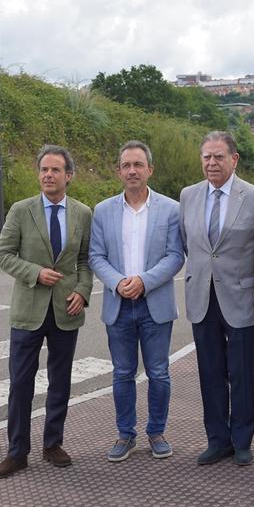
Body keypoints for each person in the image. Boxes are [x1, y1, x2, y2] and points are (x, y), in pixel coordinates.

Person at [0, 145, 93, 479]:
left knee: (60, 381)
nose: (48, 175)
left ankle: (53, 444)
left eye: (55, 170)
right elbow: (3, 254)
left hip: (66, 308)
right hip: (28, 310)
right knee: (21, 383)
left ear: (69, 176)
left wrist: (82, 291)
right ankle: (17, 452)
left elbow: (84, 261)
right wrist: (34, 272)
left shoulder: (82, 213)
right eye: (44, 170)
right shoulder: (21, 211)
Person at [89, 140, 185, 462]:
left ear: (150, 170)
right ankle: (125, 435)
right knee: (122, 373)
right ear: (118, 171)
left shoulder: (170, 209)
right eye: (126, 165)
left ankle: (156, 432)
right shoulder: (102, 211)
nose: (132, 170)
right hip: (119, 304)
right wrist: (119, 283)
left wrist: (144, 281)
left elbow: (175, 256)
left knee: (159, 373)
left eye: (138, 165)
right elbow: (96, 256)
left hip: (154, 303)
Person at [180, 130, 254, 466]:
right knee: (210, 371)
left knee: (242, 371)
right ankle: (217, 439)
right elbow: (188, 243)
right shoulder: (189, 195)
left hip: (241, 296)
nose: (212, 163)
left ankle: (243, 438)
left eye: (219, 156)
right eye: (207, 157)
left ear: (234, 159)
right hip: (202, 295)